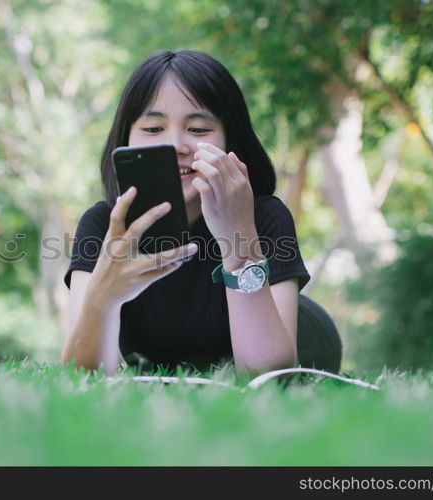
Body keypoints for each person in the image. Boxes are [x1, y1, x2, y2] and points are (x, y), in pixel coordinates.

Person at [62, 49, 341, 376]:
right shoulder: (103, 225)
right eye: (153, 129)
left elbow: (265, 372)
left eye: (197, 129)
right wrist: (101, 300)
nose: (176, 144)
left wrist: (239, 236)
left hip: (304, 337)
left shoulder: (265, 216)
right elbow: (82, 375)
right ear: (126, 140)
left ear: (228, 139)